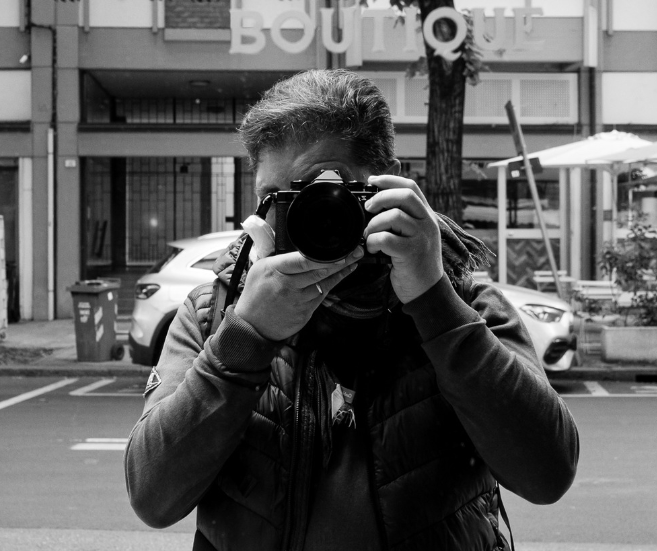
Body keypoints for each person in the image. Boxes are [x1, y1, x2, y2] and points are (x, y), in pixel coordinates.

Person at [124, 69, 579, 551]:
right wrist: (247, 337)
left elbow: (547, 475)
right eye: (276, 198)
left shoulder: (463, 304)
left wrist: (433, 302)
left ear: (385, 182)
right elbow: (152, 497)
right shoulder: (214, 314)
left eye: (322, 193)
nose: (303, 218)